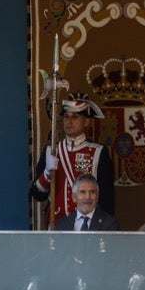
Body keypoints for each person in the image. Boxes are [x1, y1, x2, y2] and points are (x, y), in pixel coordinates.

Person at [31, 98, 114, 229]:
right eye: (66, 117)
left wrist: (105, 227)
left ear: (86, 121)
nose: (69, 121)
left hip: (88, 225)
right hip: (57, 223)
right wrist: (46, 173)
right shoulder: (51, 150)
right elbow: (37, 194)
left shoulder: (98, 152)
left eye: (75, 117)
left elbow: (107, 198)